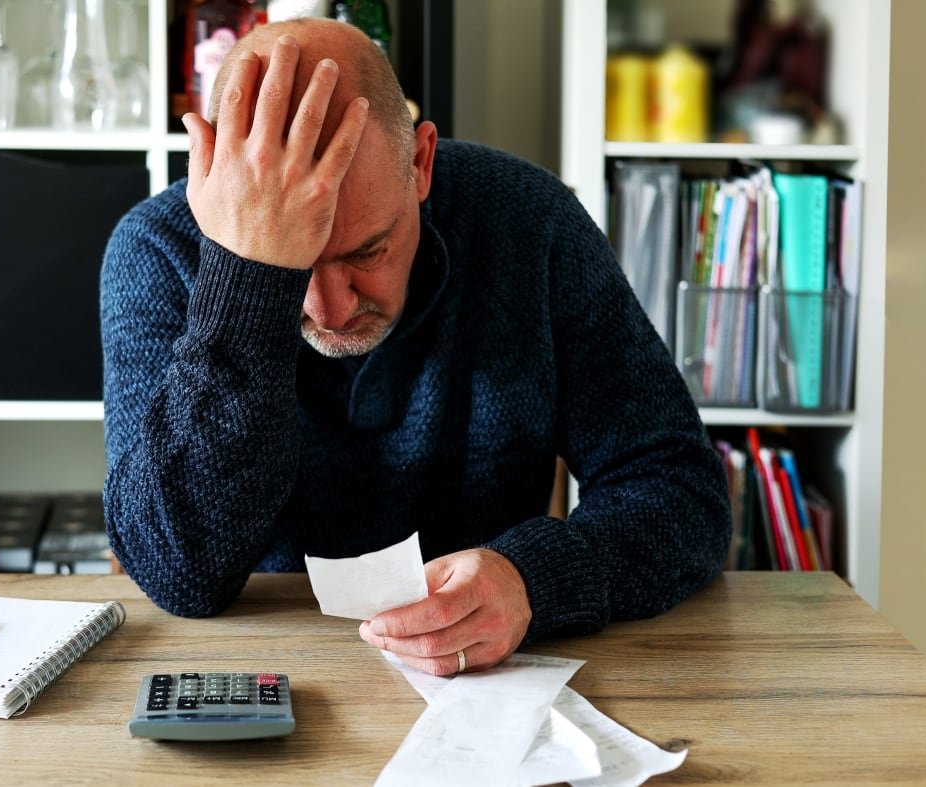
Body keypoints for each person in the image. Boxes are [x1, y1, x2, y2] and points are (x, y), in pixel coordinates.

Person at [100, 17, 730, 677]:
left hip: (491, 680)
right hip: (258, 680)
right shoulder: (156, 250)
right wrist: (245, 276)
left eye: (367, 250)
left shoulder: (528, 223)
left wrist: (533, 581)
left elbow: (681, 490)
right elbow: (179, 573)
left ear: (421, 162)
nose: (331, 309)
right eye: (298, 270)